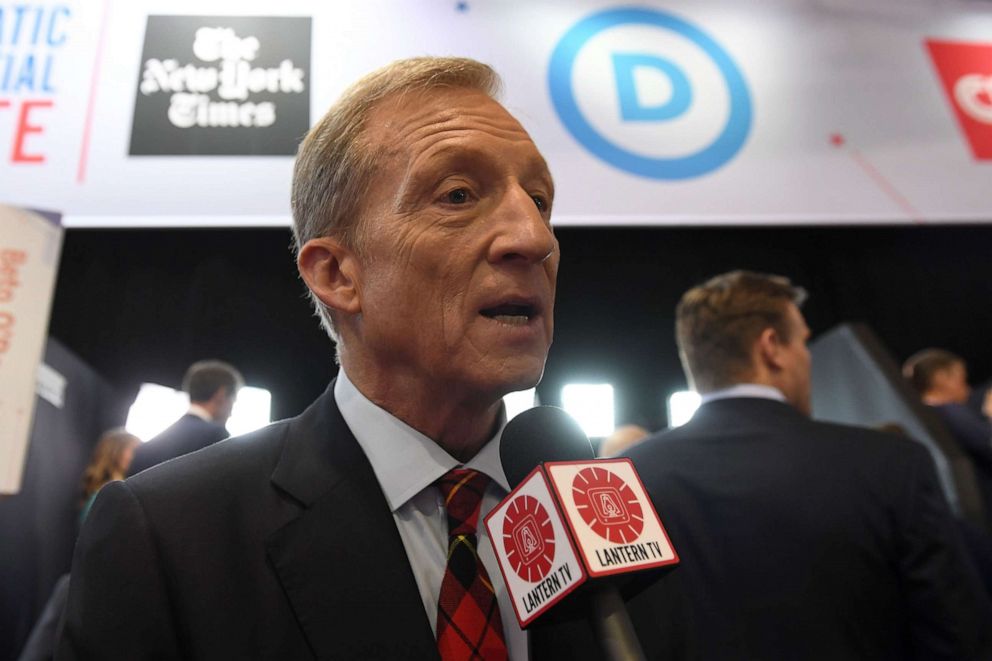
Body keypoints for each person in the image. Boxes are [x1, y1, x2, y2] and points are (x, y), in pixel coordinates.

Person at [57, 57, 601, 660]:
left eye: (540, 200)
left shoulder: (601, 516)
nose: (534, 237)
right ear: (338, 274)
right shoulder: (166, 535)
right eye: (458, 194)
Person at [624, 271, 992, 660]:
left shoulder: (625, 477)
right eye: (803, 341)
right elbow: (957, 637)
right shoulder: (890, 464)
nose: (807, 356)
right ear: (772, 348)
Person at [17, 429, 139, 661]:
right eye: (134, 449)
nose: (139, 455)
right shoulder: (110, 496)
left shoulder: (106, 493)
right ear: (117, 452)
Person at [903, 348, 992, 517]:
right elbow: (988, 443)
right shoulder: (948, 411)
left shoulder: (921, 420)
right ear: (941, 378)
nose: (968, 389)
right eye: (962, 379)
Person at [127, 359, 242, 475]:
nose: (231, 413)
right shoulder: (216, 435)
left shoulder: (144, 450)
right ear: (221, 395)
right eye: (234, 400)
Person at [80, 428, 141, 522]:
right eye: (133, 450)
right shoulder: (102, 498)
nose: (137, 455)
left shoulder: (109, 495)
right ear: (115, 452)